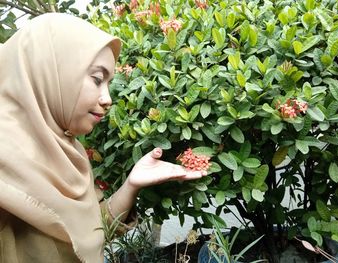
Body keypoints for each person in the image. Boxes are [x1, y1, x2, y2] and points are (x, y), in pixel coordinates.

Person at [0, 13, 205, 263]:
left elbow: (89, 231)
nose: (107, 99)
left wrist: (132, 184)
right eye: (97, 79)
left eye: (108, 83)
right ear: (50, 72)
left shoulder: (67, 150)